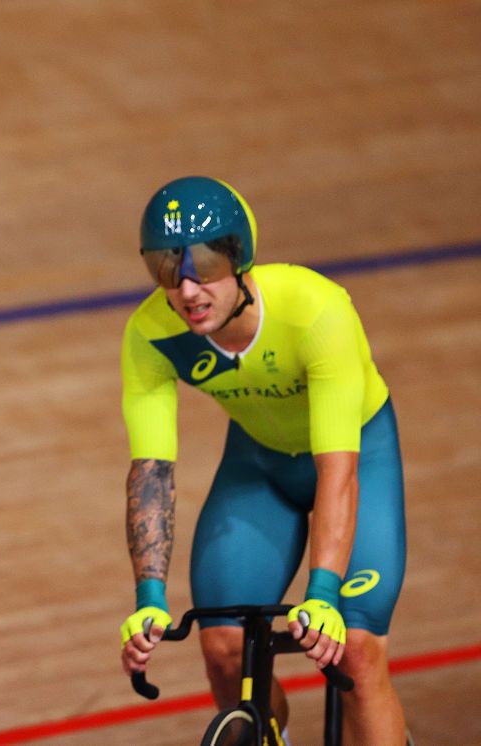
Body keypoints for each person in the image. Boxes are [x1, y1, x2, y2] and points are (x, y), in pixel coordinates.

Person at [118, 176, 409, 744]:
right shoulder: (150, 334)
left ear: (241, 257)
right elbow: (151, 473)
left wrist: (322, 593)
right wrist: (149, 599)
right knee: (226, 651)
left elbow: (338, 470)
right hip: (259, 468)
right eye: (164, 265)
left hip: (356, 458)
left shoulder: (315, 311)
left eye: (203, 261)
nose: (186, 287)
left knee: (354, 651)